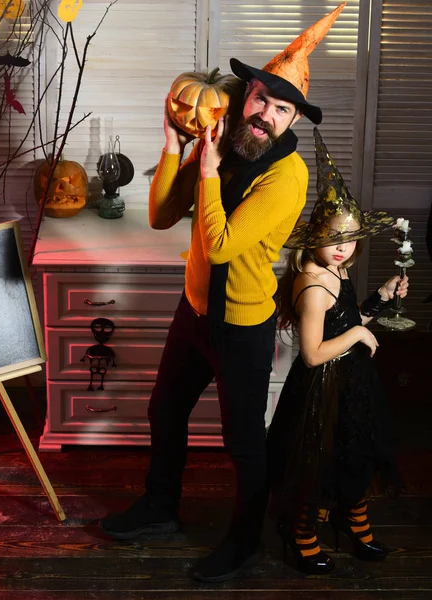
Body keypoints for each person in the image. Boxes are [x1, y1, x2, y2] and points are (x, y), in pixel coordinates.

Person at [100, 3, 346, 584]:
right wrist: (174, 149)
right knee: (165, 409)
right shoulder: (225, 140)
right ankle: (160, 508)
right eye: (260, 98)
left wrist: (208, 175)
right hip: (195, 312)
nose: (264, 116)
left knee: (242, 442)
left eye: (281, 109)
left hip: (241, 326)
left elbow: (222, 247)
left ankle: (245, 540)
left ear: (292, 119)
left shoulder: (287, 177)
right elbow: (162, 216)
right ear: (246, 95)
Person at [266, 127, 407, 575]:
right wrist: (358, 339)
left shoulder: (339, 271)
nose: (342, 248)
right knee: (317, 465)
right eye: (333, 238)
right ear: (314, 237)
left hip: (351, 385)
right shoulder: (312, 284)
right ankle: (301, 531)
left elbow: (350, 322)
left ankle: (355, 523)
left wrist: (380, 300)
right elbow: (312, 353)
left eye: (349, 239)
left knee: (358, 455)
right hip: (321, 393)